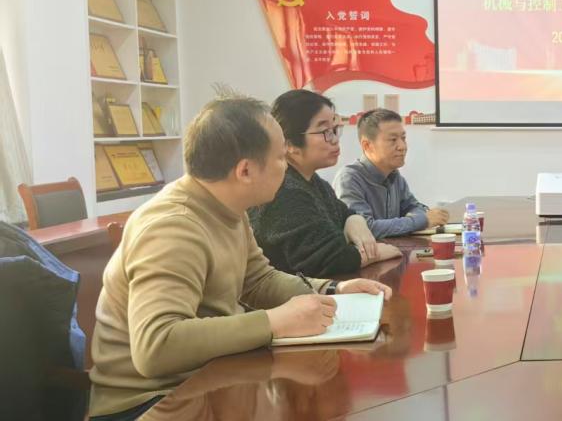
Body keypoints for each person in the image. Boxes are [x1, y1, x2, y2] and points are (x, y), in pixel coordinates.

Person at [89, 95, 392, 421]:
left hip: (209, 379)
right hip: (150, 402)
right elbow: (157, 347)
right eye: (280, 158)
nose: (285, 166)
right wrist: (275, 322)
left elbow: (259, 279)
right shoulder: (172, 228)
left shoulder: (227, 208)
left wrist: (332, 290)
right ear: (245, 170)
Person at [248, 90, 401, 275]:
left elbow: (345, 213)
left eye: (335, 130)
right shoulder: (285, 191)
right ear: (290, 144)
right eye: (325, 132)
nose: (335, 140)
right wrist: (376, 253)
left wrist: (355, 220)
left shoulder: (314, 182)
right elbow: (327, 259)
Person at [333, 108, 449, 238]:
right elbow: (365, 229)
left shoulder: (394, 176)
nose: (402, 146)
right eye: (393, 140)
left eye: (403, 138)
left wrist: (420, 218)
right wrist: (421, 221)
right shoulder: (349, 179)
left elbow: (415, 207)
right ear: (367, 145)